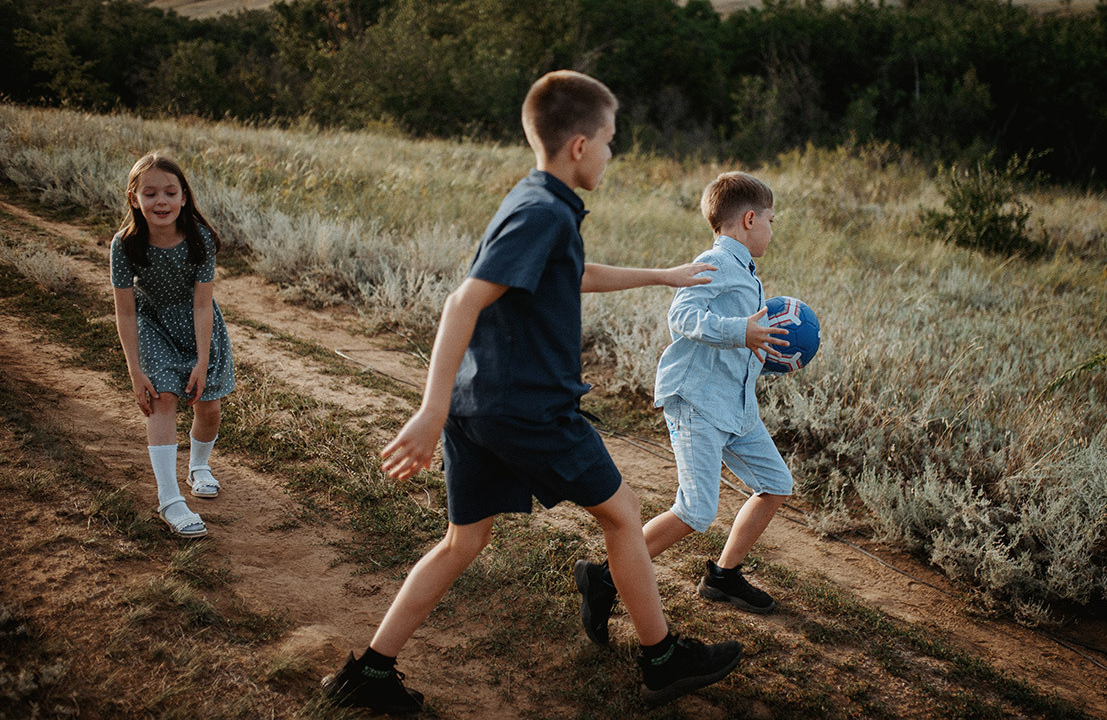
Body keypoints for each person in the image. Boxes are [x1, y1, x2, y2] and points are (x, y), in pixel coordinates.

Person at [321, 71, 743, 715]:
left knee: (464, 541)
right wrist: (427, 410)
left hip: (481, 406)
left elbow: (573, 275)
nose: (611, 153)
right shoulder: (544, 212)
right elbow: (463, 299)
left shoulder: (538, 202)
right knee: (624, 513)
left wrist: (662, 275)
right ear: (578, 145)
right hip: (529, 410)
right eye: (608, 140)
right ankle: (663, 660)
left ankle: (370, 673)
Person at [575, 171, 793, 646]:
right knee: (696, 509)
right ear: (750, 219)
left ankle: (723, 576)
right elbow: (684, 317)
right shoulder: (714, 262)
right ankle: (605, 579)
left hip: (736, 406)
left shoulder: (747, 273)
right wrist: (741, 331)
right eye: (771, 221)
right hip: (696, 401)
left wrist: (767, 352)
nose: (773, 231)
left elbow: (739, 334)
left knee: (776, 484)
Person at [110, 152, 235, 539]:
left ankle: (198, 466)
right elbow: (126, 313)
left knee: (208, 406)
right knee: (162, 399)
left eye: (169, 191)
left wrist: (201, 359)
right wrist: (135, 371)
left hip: (199, 327)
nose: (160, 201)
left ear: (183, 197)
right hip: (153, 325)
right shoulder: (125, 245)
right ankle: (170, 499)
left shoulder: (199, 239)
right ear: (134, 198)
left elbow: (202, 304)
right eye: (150, 193)